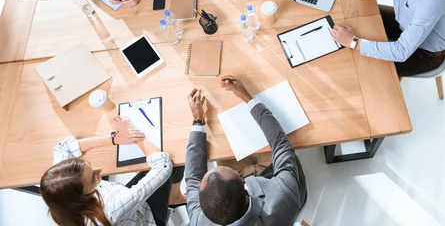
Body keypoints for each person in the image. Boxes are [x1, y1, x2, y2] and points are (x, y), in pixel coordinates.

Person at [185, 76, 307, 226]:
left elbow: (193, 179)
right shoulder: (284, 193)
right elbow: (280, 144)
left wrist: (198, 120)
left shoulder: (199, 221)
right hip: (272, 179)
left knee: (224, 145)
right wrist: (248, 98)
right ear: (246, 188)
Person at [40, 116, 186, 226]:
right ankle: (173, 199)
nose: (100, 171)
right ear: (83, 196)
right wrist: (131, 132)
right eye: (92, 179)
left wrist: (114, 138)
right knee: (177, 160)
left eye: (89, 166)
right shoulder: (111, 211)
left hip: (125, 198)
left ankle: (174, 198)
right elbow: (163, 166)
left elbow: (62, 147)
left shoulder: (58, 191)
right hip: (146, 218)